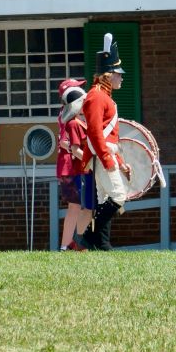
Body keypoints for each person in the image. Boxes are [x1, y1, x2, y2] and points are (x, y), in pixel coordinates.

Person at [79, 33, 131, 251]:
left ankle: (102, 243)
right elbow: (95, 133)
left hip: (106, 154)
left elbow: (110, 137)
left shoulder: (104, 97)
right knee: (118, 196)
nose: (121, 78)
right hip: (101, 155)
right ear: (108, 75)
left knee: (105, 200)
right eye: (118, 74)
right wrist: (108, 159)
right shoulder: (96, 97)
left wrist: (119, 160)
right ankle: (88, 237)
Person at [57, 77, 92, 251]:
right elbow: (65, 142)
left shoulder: (70, 116)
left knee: (79, 207)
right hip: (70, 166)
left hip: (71, 165)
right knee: (77, 206)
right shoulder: (70, 118)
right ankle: (70, 245)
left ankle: (72, 244)